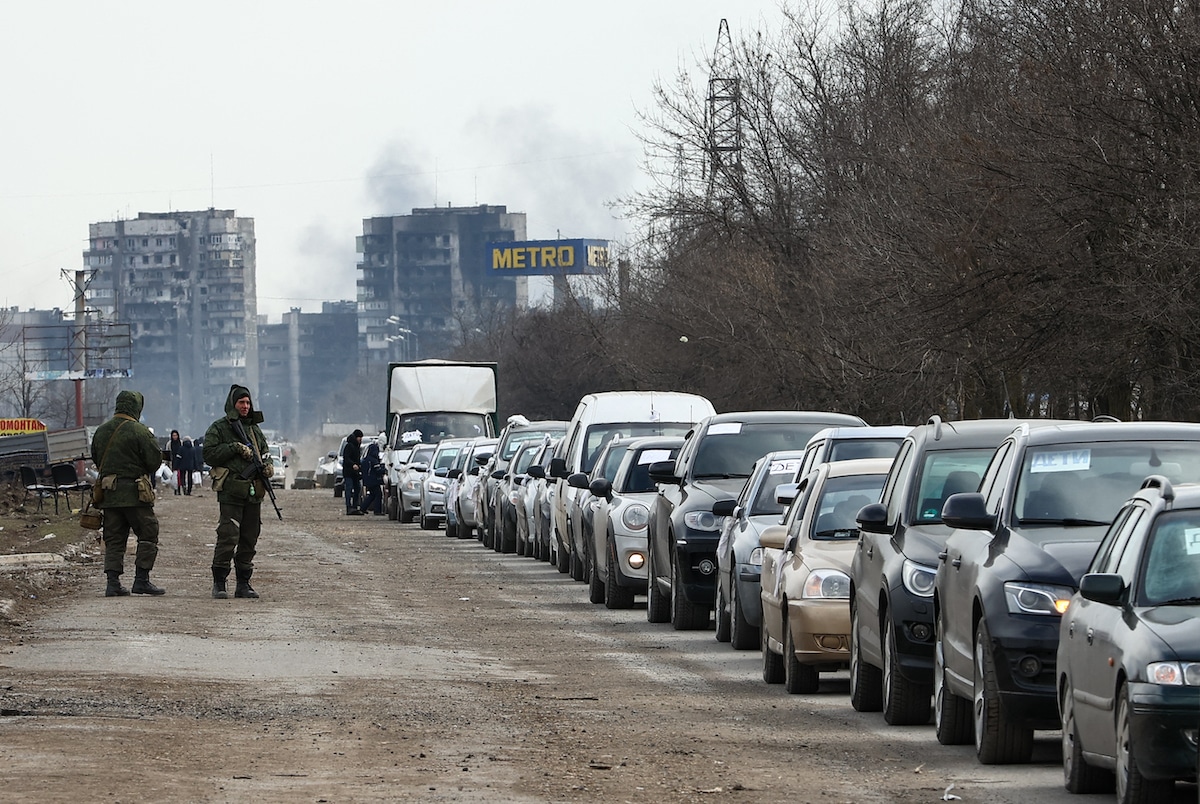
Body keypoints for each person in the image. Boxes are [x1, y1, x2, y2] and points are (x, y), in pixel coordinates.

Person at [90, 390, 167, 597]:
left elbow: (97, 459)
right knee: (148, 533)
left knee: (114, 538)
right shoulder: (140, 431)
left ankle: (112, 583)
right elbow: (153, 461)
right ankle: (141, 580)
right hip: (135, 494)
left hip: (109, 494)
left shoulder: (101, 431)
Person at [203, 385, 274, 599]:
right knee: (228, 535)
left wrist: (268, 465)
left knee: (249, 537)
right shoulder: (220, 428)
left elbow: (265, 451)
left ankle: (243, 583)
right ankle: (219, 582)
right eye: (241, 402)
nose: (245, 406)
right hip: (232, 491)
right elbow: (208, 454)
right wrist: (233, 447)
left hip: (254, 492)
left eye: (248, 402)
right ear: (233, 404)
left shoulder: (254, 429)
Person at [359, 433, 386, 515]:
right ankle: (377, 511)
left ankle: (363, 508)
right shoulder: (373, 460)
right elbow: (378, 470)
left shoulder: (365, 460)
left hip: (367, 481)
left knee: (372, 495)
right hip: (374, 481)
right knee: (378, 494)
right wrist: (383, 469)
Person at [343, 429, 364, 515]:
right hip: (348, 472)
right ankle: (349, 507)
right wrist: (353, 465)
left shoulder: (357, 446)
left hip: (355, 473)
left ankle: (355, 506)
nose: (361, 439)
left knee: (357, 488)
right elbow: (346, 458)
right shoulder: (349, 446)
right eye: (360, 437)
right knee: (349, 489)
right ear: (356, 437)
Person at [169, 430, 187, 495]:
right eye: (173, 435)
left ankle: (183, 488)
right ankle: (176, 490)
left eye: (176, 435)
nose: (175, 437)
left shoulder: (181, 443)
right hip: (173, 462)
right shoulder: (169, 444)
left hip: (181, 462)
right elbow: (168, 454)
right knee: (175, 477)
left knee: (182, 476)